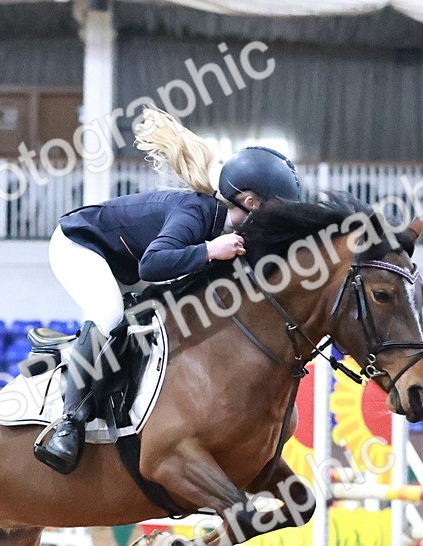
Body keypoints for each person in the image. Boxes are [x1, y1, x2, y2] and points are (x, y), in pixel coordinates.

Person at [33, 108, 303, 474]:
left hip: (124, 258)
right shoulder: (195, 213)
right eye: (274, 211)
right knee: (111, 318)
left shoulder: (224, 227)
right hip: (80, 245)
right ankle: (69, 423)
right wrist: (209, 251)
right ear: (252, 203)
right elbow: (152, 265)